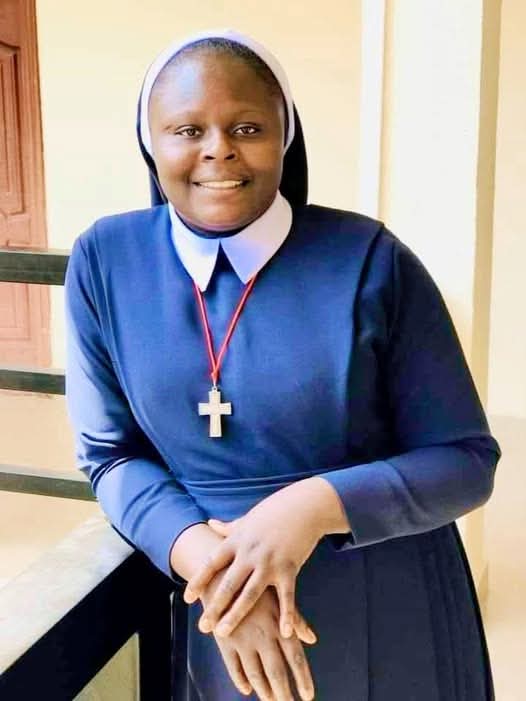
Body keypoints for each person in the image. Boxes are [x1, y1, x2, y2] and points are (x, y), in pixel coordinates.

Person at [64, 28, 502, 701]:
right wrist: (216, 572)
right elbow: (110, 455)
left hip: (381, 595)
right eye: (187, 130)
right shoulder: (104, 260)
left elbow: (465, 461)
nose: (218, 149)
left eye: (247, 127)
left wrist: (308, 507)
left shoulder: (372, 260)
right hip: (214, 610)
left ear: (286, 136)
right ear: (149, 142)